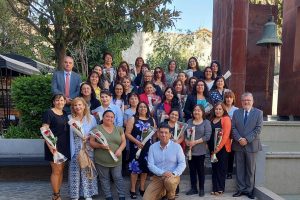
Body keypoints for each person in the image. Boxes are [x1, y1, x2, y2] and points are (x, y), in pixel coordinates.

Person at [232, 92, 263, 199]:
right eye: (244, 100)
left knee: (250, 169)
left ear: (252, 101)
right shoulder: (236, 113)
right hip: (238, 145)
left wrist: (247, 139)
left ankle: (249, 190)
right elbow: (233, 128)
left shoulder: (259, 113)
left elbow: (258, 129)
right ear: (241, 102)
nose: (246, 102)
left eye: (248, 100)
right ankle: (240, 189)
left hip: (252, 145)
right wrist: (240, 139)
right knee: (239, 168)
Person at [90, 110, 126, 200]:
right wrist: (100, 146)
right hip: (102, 160)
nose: (109, 118)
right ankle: (108, 196)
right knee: (104, 179)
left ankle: (121, 196)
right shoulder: (96, 129)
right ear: (103, 117)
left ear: (114, 119)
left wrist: (120, 149)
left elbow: (124, 142)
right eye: (107, 116)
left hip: (116, 159)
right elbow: (91, 142)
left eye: (112, 117)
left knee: (118, 178)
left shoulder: (119, 129)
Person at [143, 123, 186, 200]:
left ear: (170, 134)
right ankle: (163, 192)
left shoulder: (177, 147)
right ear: (158, 134)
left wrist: (174, 173)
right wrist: (162, 173)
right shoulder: (152, 147)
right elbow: (150, 165)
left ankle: (171, 196)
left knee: (169, 182)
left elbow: (182, 163)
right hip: (158, 177)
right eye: (161, 132)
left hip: (172, 177)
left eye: (166, 132)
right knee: (146, 199)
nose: (163, 135)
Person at [125, 102, 156, 199]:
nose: (143, 108)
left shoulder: (152, 120)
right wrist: (137, 142)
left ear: (147, 108)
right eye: (140, 107)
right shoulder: (133, 119)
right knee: (135, 169)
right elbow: (127, 133)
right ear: (137, 109)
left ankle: (142, 188)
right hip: (136, 147)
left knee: (144, 169)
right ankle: (133, 189)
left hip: (147, 148)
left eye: (144, 107)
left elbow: (154, 134)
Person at [42, 94, 70, 200]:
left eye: (62, 100)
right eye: (57, 100)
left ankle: (57, 193)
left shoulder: (65, 113)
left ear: (64, 101)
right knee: (56, 171)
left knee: (61, 171)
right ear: (53, 102)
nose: (60, 102)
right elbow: (45, 130)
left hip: (64, 145)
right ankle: (55, 195)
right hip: (53, 146)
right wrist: (51, 147)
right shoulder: (49, 113)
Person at [69, 97, 98, 200]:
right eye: (75, 105)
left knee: (87, 170)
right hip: (75, 148)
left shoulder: (91, 118)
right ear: (72, 107)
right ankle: (75, 195)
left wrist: (89, 136)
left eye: (80, 105)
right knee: (75, 172)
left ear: (84, 106)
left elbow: (96, 132)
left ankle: (88, 194)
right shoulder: (70, 118)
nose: (78, 107)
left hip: (88, 147)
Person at [185, 105, 211, 197]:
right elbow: (185, 134)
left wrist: (195, 142)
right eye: (195, 110)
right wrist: (187, 141)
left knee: (200, 171)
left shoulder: (206, 122)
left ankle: (201, 189)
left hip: (200, 151)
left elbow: (207, 136)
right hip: (190, 151)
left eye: (199, 110)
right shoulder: (189, 122)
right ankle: (193, 188)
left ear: (202, 112)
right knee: (192, 170)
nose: (196, 112)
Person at [208, 102, 232, 196]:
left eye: (220, 109)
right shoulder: (212, 119)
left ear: (223, 110)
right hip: (212, 148)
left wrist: (218, 147)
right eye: (216, 109)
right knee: (214, 168)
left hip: (222, 148)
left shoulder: (226, 119)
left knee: (221, 169)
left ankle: (220, 188)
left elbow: (226, 135)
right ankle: (215, 188)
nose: (218, 111)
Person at [224, 91, 238, 179]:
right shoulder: (221, 108)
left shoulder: (237, 110)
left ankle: (229, 172)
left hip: (232, 135)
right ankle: (222, 170)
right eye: (227, 97)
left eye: (230, 97)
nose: (229, 99)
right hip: (222, 134)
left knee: (230, 153)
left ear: (233, 99)